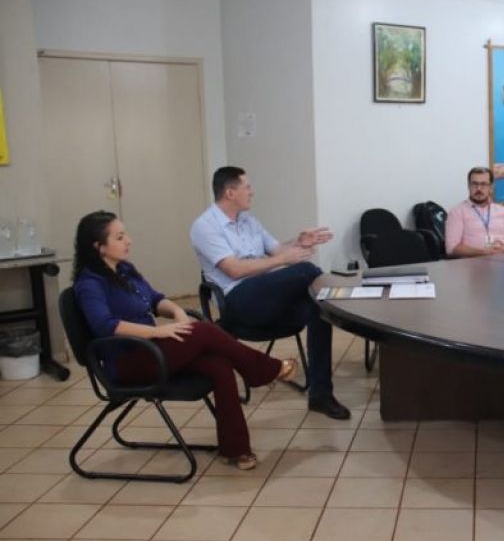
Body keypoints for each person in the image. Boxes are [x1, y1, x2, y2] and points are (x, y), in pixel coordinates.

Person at [73, 211, 297, 470]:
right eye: (120, 237)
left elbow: (156, 300)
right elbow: (105, 326)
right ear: (98, 247)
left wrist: (178, 314)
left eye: (126, 235)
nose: (129, 241)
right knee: (204, 331)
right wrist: (157, 332)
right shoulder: (89, 283)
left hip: (150, 351)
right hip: (127, 363)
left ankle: (235, 450)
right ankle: (266, 369)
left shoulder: (124, 270)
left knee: (219, 365)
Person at [190, 166, 350, 420]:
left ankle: (321, 395)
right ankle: (343, 300)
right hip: (238, 302)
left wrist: (298, 243)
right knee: (306, 271)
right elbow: (233, 270)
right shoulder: (205, 226)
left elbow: (277, 251)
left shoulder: (248, 221)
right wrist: (286, 259)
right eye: (247, 187)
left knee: (318, 307)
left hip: (266, 298)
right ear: (230, 192)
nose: (252, 192)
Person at [445, 166, 504, 257]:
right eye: (474, 184)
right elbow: (451, 248)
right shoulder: (457, 212)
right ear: (469, 186)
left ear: (491, 187)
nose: (479, 189)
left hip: (503, 264)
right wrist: (482, 252)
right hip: (472, 266)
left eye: (483, 184)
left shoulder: (501, 210)